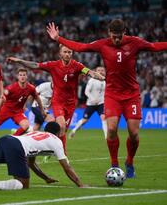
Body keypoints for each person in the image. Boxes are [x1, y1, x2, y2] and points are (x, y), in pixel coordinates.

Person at [46, 19, 167, 178]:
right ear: (109, 33)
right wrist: (58, 39)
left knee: (134, 133)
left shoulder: (135, 43)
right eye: (113, 36)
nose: (116, 39)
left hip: (131, 94)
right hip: (112, 94)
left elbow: (154, 46)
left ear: (124, 32)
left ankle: (129, 162)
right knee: (111, 129)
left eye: (119, 36)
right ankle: (114, 164)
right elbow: (81, 47)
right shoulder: (102, 44)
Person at [7, 45, 104, 154]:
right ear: (60, 54)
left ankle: (54, 149)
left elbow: (89, 72)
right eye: (65, 52)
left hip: (71, 104)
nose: (67, 54)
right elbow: (35, 65)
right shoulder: (53, 65)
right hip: (58, 102)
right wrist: (19, 61)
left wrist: (99, 76)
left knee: (63, 130)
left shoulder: (77, 66)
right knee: (60, 125)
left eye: (69, 52)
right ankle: (61, 153)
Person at [0, 68, 46, 139]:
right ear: (18, 77)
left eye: (24, 75)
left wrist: (42, 110)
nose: (22, 77)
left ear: (26, 76)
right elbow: (1, 99)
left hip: (18, 112)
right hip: (6, 110)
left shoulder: (31, 88)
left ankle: (12, 139)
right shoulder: (11, 88)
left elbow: (37, 98)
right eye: (20, 75)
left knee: (26, 125)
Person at [69, 66, 107, 139]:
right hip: (91, 103)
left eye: (102, 70)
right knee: (85, 120)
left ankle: (106, 137)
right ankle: (74, 130)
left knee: (103, 118)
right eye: (99, 70)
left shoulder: (105, 81)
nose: (101, 72)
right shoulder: (92, 80)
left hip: (101, 103)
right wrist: (93, 99)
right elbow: (86, 91)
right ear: (95, 71)